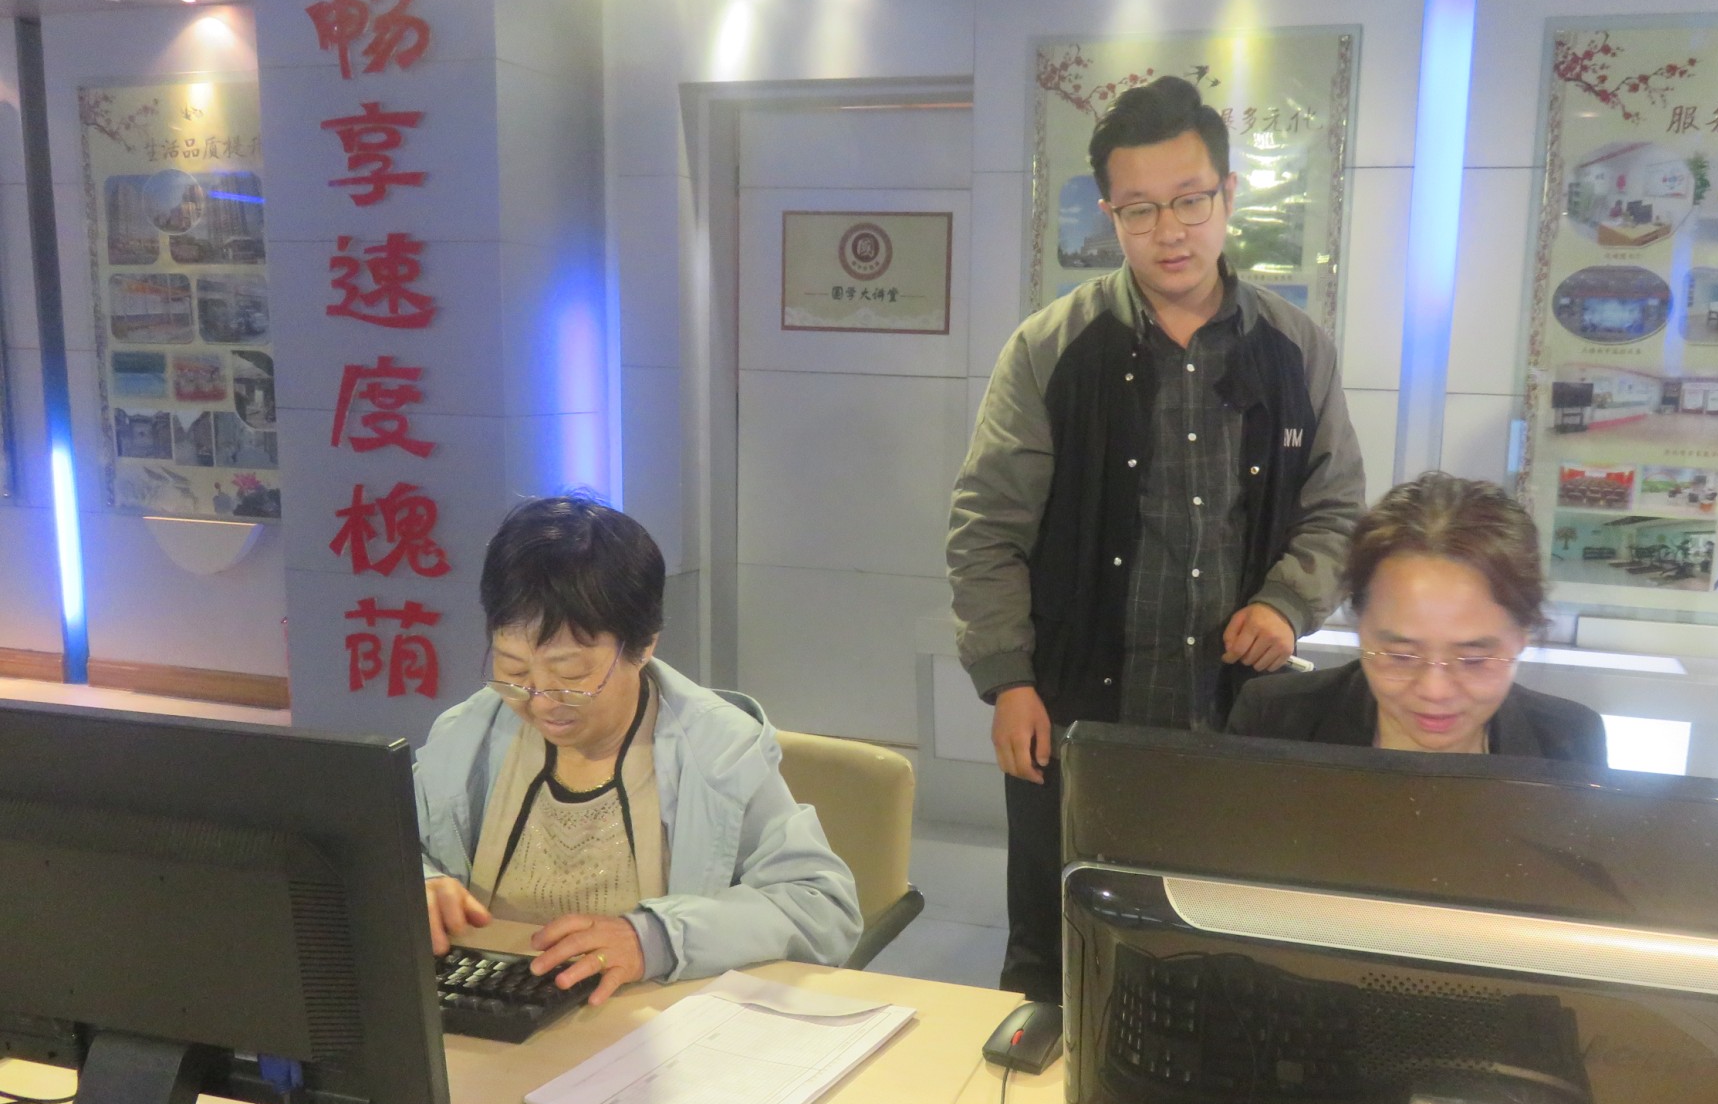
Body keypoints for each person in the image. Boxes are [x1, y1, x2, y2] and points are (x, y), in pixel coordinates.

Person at [947, 74, 1367, 1003]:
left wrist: (1287, 602)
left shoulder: (1294, 348)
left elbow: (1338, 505)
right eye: (1139, 210)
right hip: (1079, 712)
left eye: (1189, 201)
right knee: (1063, 950)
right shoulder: (1051, 350)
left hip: (1239, 715)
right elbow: (986, 530)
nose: (1168, 231)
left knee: (1235, 949)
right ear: (1110, 214)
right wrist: (1008, 679)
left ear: (1227, 196)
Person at [415, 495, 862, 1003]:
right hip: (489, 1005)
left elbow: (820, 906)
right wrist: (418, 883)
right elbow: (388, 849)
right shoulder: (468, 736)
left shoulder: (719, 753)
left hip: (650, 1019)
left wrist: (657, 939)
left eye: (571, 674)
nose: (540, 702)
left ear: (644, 645)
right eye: (514, 670)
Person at [1227, 473, 1605, 761]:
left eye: (1473, 660)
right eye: (1401, 656)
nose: (1434, 691)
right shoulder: (1275, 723)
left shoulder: (1567, 744)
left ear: (1523, 635)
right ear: (1362, 628)